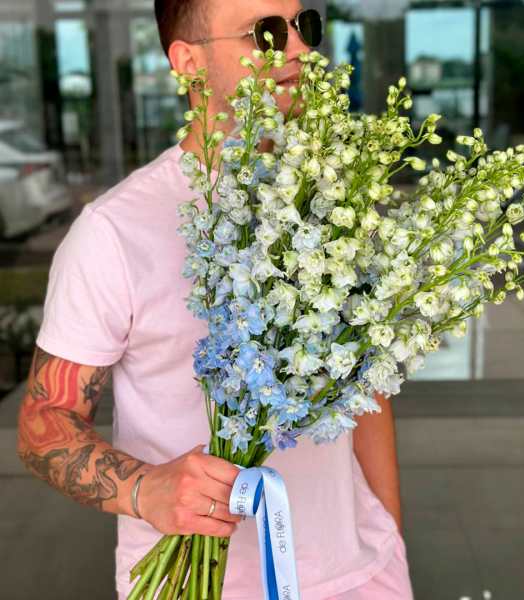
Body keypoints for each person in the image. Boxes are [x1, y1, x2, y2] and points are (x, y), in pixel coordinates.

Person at [16, 1, 414, 598]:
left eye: (304, 24)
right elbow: (44, 424)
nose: (299, 49)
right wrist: (144, 489)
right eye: (266, 33)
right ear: (188, 62)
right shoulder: (114, 231)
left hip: (361, 573)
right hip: (194, 586)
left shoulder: (335, 199)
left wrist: (388, 537)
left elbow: (366, 391)